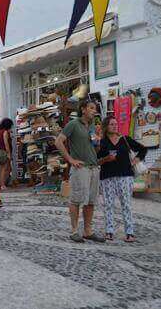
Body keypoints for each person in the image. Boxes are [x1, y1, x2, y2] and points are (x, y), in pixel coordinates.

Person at [55, 100, 105, 243]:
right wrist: (70, 159)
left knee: (90, 201)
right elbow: (58, 141)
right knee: (76, 199)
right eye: (91, 108)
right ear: (83, 109)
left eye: (94, 109)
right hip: (80, 168)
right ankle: (74, 231)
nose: (94, 111)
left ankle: (88, 231)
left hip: (93, 167)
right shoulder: (73, 124)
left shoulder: (92, 128)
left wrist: (98, 140)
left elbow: (95, 150)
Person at [97, 116, 147, 242]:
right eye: (112, 124)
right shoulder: (102, 142)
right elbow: (96, 160)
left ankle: (129, 233)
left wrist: (137, 159)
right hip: (107, 177)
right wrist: (106, 159)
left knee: (126, 204)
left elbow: (143, 149)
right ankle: (109, 231)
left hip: (125, 176)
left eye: (116, 124)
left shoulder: (125, 139)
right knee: (108, 205)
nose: (115, 126)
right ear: (106, 126)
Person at [0, 118, 14, 190]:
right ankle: (2, 184)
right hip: (4, 152)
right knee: (4, 169)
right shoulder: (5, 132)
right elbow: (6, 144)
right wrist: (9, 153)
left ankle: (1, 184)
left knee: (4, 169)